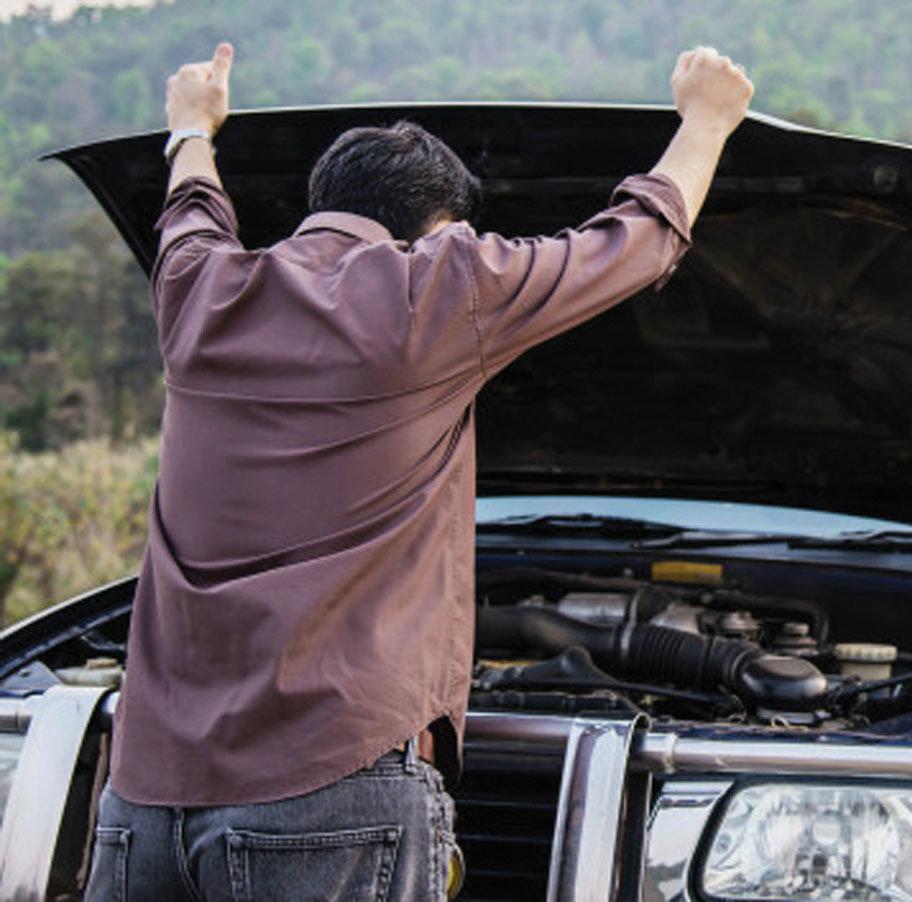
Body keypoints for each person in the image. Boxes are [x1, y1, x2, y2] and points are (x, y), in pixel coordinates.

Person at [83, 41, 752, 901]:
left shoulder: (197, 288)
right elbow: (636, 242)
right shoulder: (439, 288)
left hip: (142, 797)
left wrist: (191, 124)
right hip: (328, 782)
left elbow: (192, 206)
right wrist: (707, 117)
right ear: (440, 230)